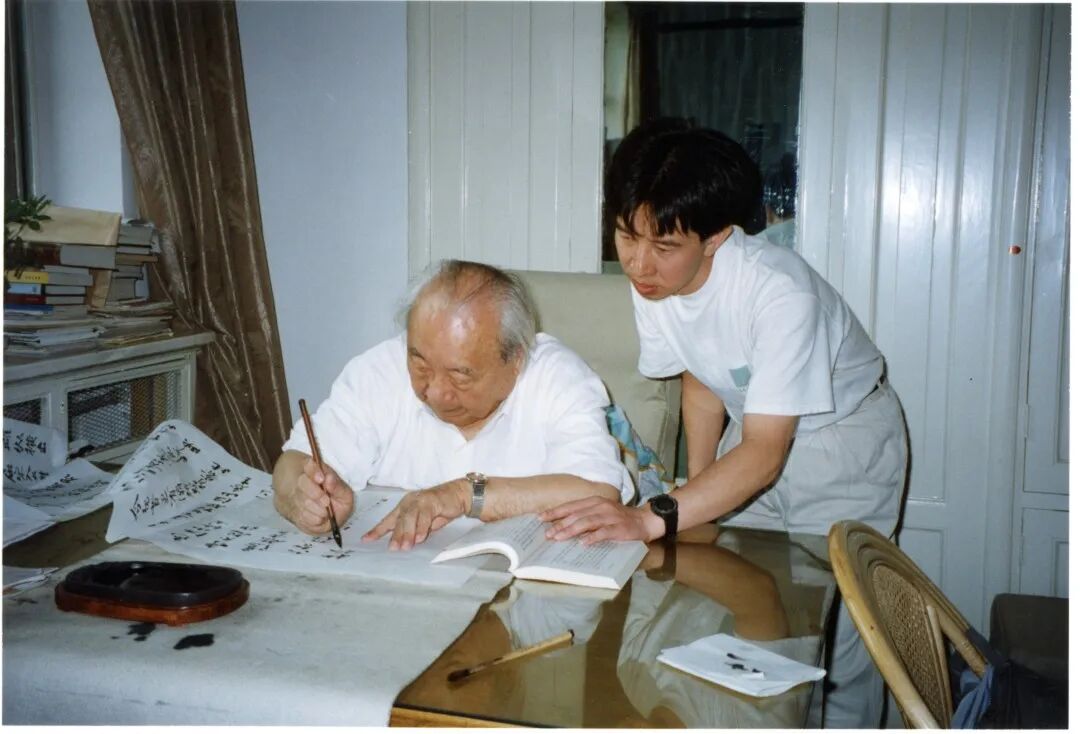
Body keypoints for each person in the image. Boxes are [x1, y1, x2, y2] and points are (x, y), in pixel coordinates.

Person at [540, 118, 908, 728]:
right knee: (734, 601)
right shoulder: (655, 282)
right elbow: (702, 377)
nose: (638, 262)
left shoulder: (779, 293)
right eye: (627, 236)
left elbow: (766, 452)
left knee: (839, 635)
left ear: (716, 238)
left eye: (663, 247)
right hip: (751, 429)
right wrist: (694, 497)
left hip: (843, 443)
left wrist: (654, 516)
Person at [272, 259, 633, 550]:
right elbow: (292, 463)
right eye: (420, 365)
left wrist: (464, 495)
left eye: (460, 376)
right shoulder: (378, 371)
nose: (435, 392)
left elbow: (598, 492)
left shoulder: (557, 377)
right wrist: (302, 499)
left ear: (516, 361)